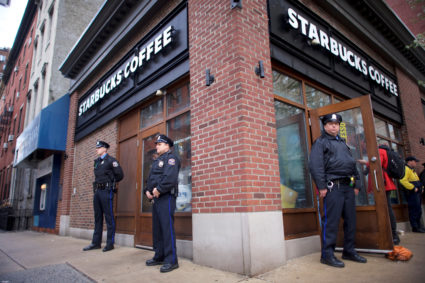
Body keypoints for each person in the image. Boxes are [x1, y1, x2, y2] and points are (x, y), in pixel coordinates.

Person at [309, 113, 367, 268]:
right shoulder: (320, 143)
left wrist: (357, 184)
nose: (334, 126)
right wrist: (321, 186)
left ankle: (349, 251)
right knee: (331, 222)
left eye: (336, 123)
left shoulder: (343, 143)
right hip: (332, 187)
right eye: (330, 123)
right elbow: (315, 165)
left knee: (351, 221)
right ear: (325, 126)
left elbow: (352, 164)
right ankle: (327, 255)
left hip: (348, 187)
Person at [144, 134, 181, 273]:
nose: (156, 146)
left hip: (166, 197)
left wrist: (159, 189)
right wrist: (146, 191)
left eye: (159, 144)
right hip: (157, 198)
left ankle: (171, 260)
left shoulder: (171, 158)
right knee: (157, 229)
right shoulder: (157, 160)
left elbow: (170, 178)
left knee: (167, 229)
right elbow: (152, 178)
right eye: (156, 144)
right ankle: (159, 256)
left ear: (167, 145)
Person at [83, 141, 124, 252]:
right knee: (98, 217)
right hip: (97, 192)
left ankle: (110, 244)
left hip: (106, 190)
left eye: (99, 147)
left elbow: (120, 175)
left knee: (109, 217)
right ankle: (96, 243)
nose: (97, 149)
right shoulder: (96, 162)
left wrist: (112, 182)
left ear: (105, 149)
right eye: (97, 148)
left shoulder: (111, 161)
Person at [358, 142, 401, 245]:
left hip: (381, 184)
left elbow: (376, 164)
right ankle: (391, 233)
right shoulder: (388, 151)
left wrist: (365, 162)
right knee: (387, 207)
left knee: (385, 208)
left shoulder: (380, 151)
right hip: (386, 183)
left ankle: (391, 234)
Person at [399, 156, 424, 233]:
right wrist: (413, 188)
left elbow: (418, 181)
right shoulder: (406, 169)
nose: (416, 163)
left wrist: (421, 188)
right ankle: (415, 227)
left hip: (417, 193)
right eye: (414, 161)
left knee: (418, 210)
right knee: (414, 210)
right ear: (409, 161)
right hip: (412, 193)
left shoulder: (412, 170)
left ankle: (419, 226)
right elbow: (403, 181)